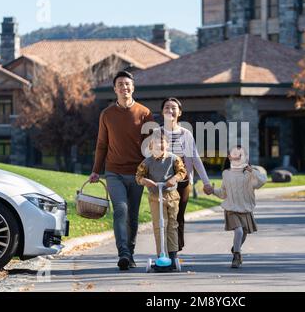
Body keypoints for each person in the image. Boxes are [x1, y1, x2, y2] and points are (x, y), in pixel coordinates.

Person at [89, 70, 154, 271]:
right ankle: (123, 253)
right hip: (114, 171)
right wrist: (96, 170)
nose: (124, 87)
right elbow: (101, 144)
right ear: (114, 89)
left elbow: (152, 147)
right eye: (120, 84)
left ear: (132, 88)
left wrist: (151, 171)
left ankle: (131, 252)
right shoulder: (107, 114)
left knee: (132, 215)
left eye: (127, 84)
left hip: (137, 173)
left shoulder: (145, 113)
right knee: (121, 209)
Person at [159, 98, 213, 252]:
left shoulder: (186, 134)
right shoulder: (157, 132)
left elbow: (195, 158)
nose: (170, 110)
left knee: (178, 215)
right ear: (162, 112)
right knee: (165, 217)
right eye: (167, 107)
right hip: (163, 182)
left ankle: (176, 249)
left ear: (179, 112)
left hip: (183, 181)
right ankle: (166, 248)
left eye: (174, 107)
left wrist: (206, 182)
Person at [136, 131, 187, 264]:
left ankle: (173, 254)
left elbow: (182, 172)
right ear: (151, 146)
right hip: (155, 196)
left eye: (163, 142)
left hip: (171, 195)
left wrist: (174, 178)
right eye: (157, 143)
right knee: (159, 225)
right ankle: (161, 254)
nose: (161, 145)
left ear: (168, 144)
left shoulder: (174, 159)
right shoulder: (146, 163)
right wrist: (145, 181)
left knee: (172, 224)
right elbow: (138, 177)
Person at [212, 145, 267, 268]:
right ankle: (236, 256)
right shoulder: (226, 174)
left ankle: (236, 248)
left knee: (244, 233)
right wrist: (212, 190)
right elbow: (223, 193)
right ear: (229, 157)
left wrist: (252, 171)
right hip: (231, 208)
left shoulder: (250, 174)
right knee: (239, 231)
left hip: (246, 208)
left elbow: (262, 181)